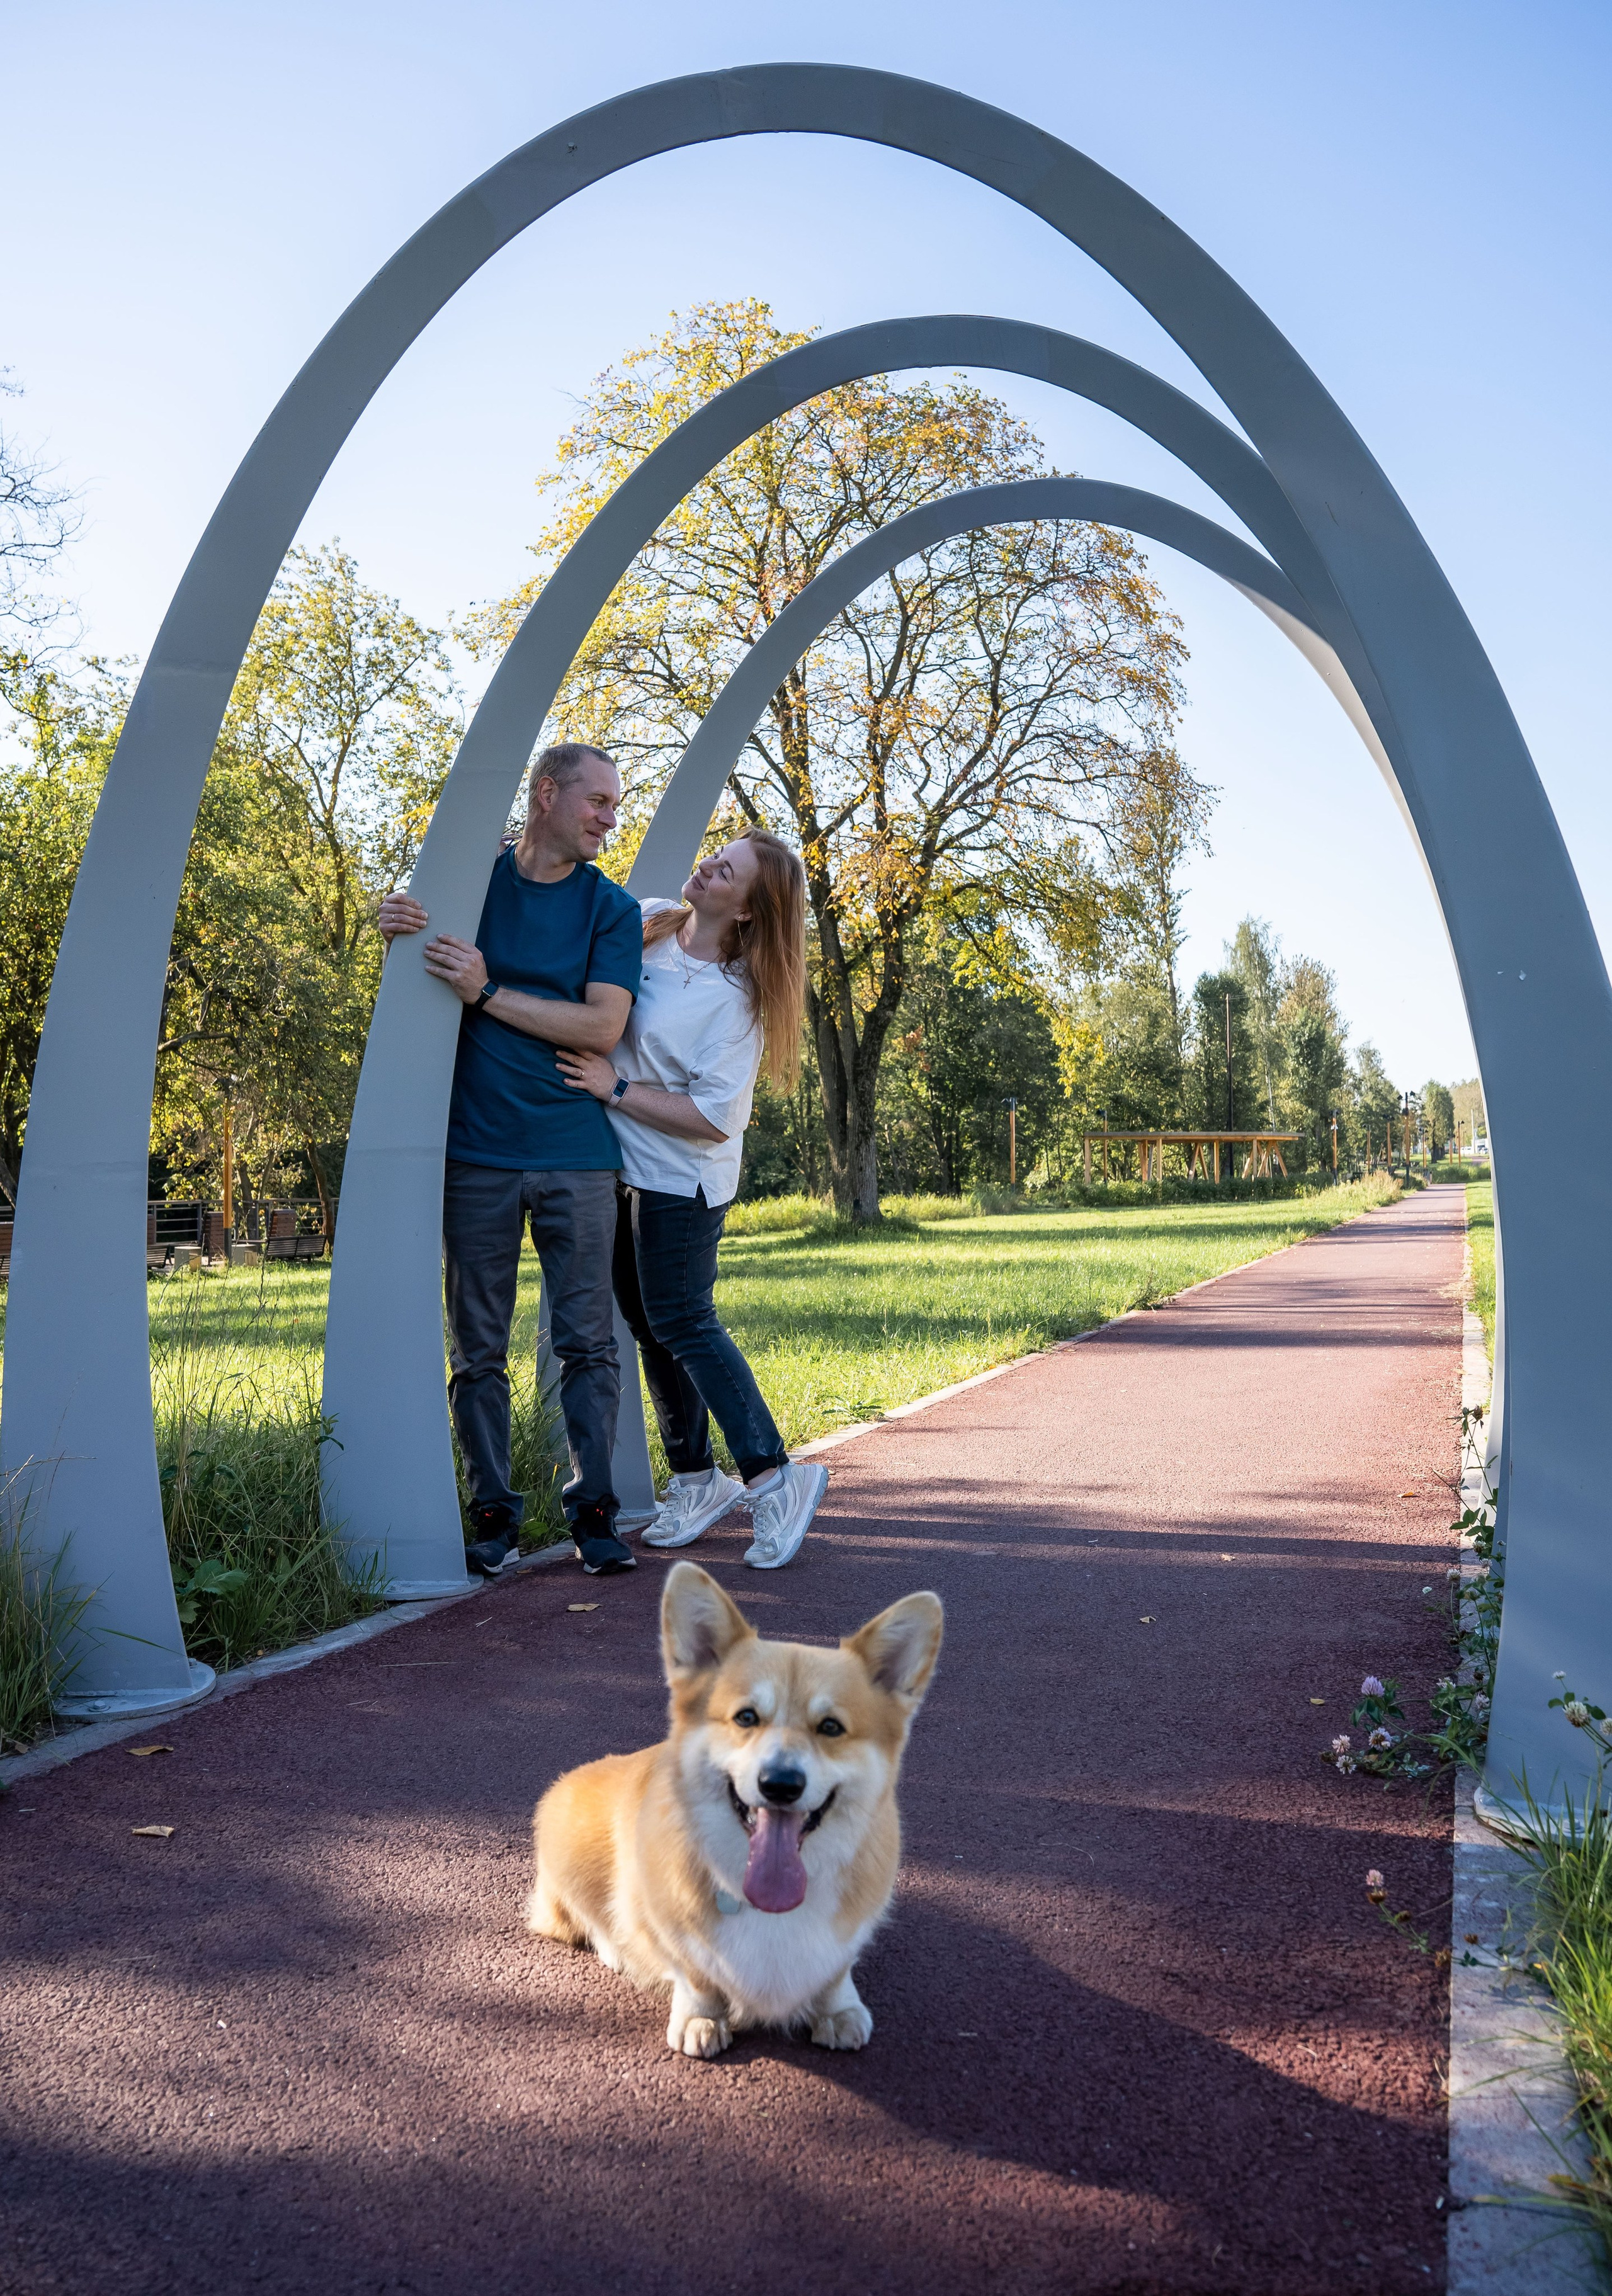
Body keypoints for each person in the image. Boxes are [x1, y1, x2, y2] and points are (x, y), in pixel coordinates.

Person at [377, 743, 642, 1580]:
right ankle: (490, 1509)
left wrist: (489, 995)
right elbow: (417, 974)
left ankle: (593, 1511)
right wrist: (392, 929)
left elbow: (602, 1028)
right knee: (477, 1348)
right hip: (477, 1153)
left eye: (615, 804)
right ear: (547, 793)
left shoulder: (612, 909)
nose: (609, 816)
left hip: (577, 1153)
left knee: (588, 1342)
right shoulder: (469, 883)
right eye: (597, 800)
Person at [553, 826, 829, 1571]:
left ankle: (775, 1476)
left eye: (726, 869)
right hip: (618, 1166)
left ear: (747, 909)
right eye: (714, 852)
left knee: (684, 1319)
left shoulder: (737, 1000)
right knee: (649, 1327)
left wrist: (614, 1086)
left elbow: (714, 1119)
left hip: (682, 1178)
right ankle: (696, 1478)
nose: (706, 863)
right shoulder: (647, 922)